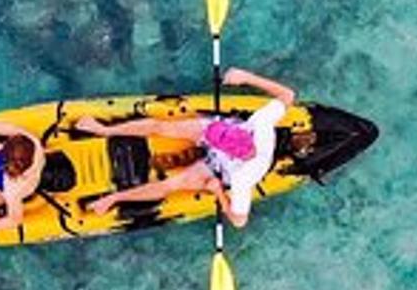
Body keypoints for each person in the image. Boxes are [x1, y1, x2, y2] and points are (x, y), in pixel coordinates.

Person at [77, 67, 297, 226]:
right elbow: (288, 95)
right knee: (159, 126)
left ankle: (113, 199)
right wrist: (246, 77)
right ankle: (104, 130)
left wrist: (218, 191)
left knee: (171, 185)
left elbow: (239, 220)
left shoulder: (242, 179)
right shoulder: (260, 123)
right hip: (223, 135)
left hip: (221, 169)